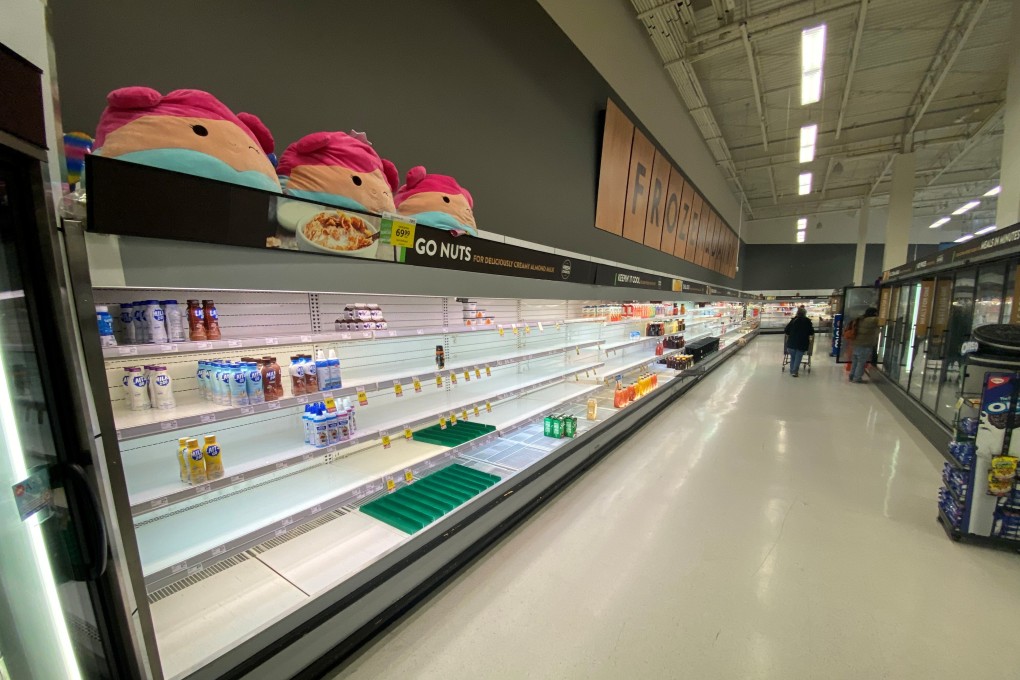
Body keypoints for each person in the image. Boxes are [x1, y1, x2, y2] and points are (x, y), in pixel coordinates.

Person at [848, 307, 880, 383]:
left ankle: (852, 375)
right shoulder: (872, 320)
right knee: (861, 362)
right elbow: (882, 320)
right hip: (865, 344)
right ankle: (857, 378)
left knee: (855, 360)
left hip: (856, 343)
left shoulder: (860, 319)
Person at [784, 306, 815, 378]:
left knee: (793, 357)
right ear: (805, 314)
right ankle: (794, 372)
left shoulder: (793, 320)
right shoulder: (807, 321)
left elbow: (786, 331)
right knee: (798, 357)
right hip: (802, 343)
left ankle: (792, 370)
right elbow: (811, 332)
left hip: (791, 342)